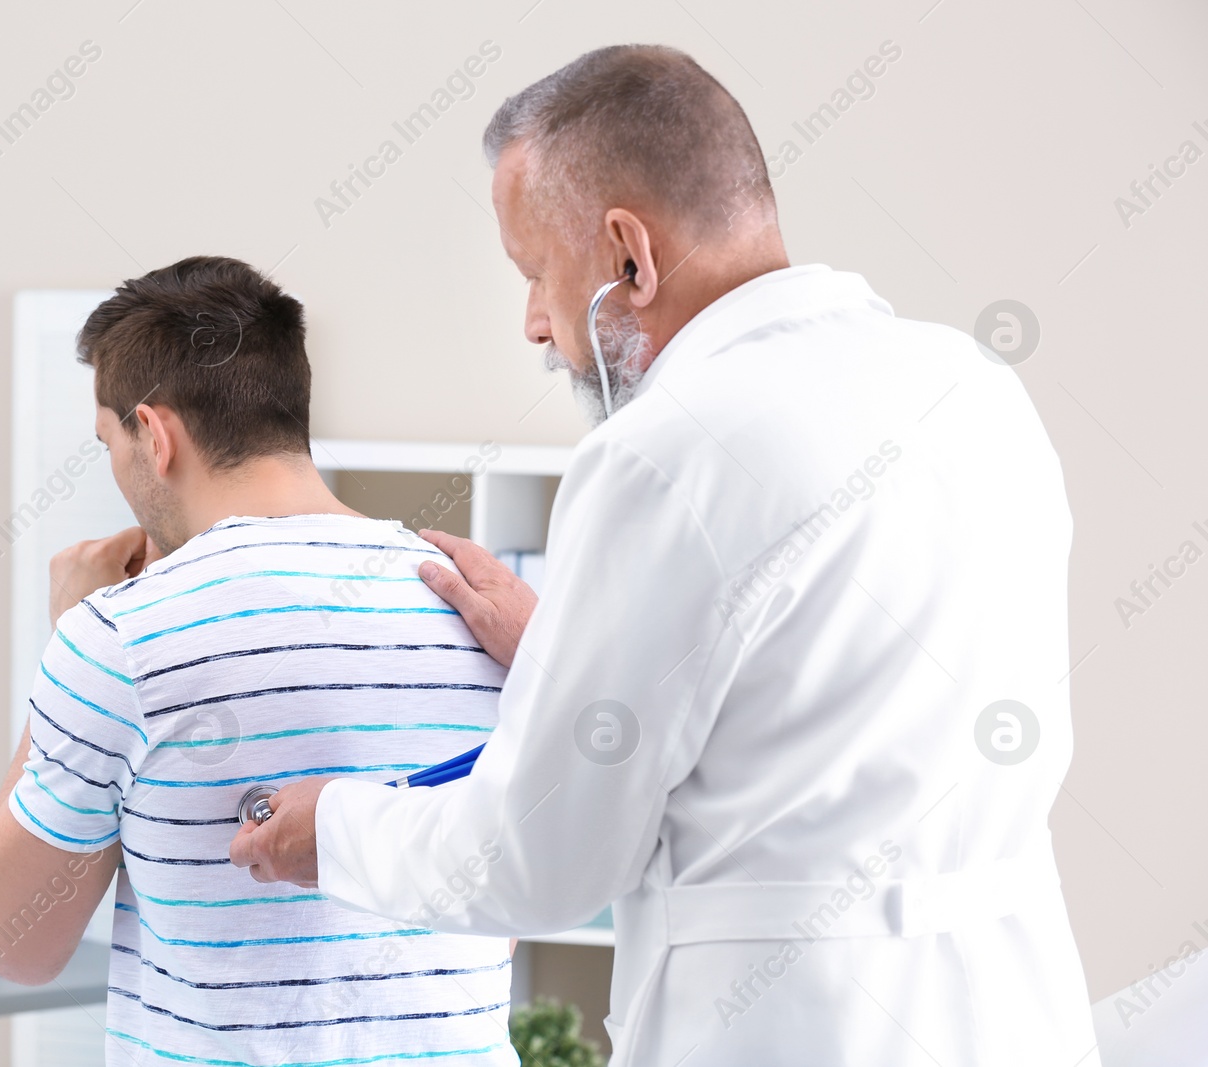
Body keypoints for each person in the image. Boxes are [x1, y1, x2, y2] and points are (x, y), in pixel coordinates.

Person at [230, 45, 1101, 1066]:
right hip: (1012, 1015)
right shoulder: (968, 382)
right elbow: (824, 685)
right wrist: (568, 657)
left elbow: (539, 859)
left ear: (628, 255)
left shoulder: (663, 447)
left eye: (534, 273)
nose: (536, 325)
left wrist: (328, 827)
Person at [0, 256, 517, 1067]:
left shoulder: (118, 635)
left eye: (109, 442)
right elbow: (504, 919)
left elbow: (13, 940)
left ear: (155, 434)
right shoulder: (485, 606)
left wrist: (69, 645)